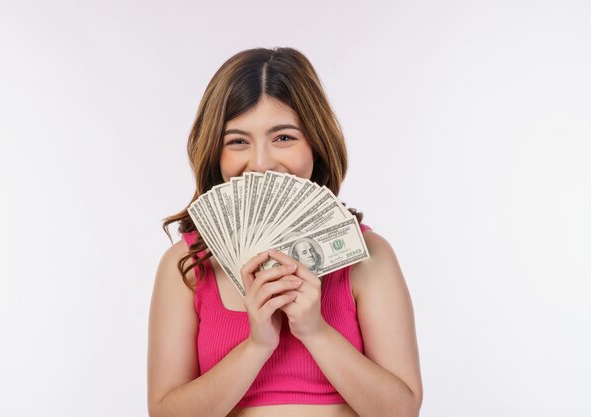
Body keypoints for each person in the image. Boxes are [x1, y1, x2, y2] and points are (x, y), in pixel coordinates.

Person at [147, 47, 423, 417]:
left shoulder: (369, 255)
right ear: (215, 151)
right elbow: (166, 413)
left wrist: (314, 330)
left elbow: (401, 411)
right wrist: (258, 344)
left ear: (316, 143)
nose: (261, 163)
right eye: (238, 141)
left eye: (283, 138)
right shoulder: (186, 264)